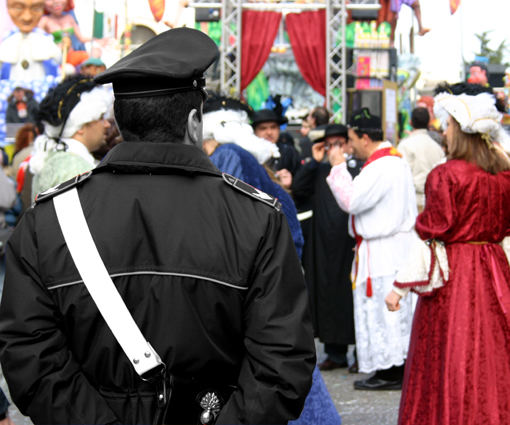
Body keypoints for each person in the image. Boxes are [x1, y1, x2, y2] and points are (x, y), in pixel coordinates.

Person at [0, 28, 315, 425]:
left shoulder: (47, 221)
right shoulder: (256, 218)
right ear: (193, 122)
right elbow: (283, 361)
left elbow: (30, 358)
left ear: (119, 120)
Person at [202, 97, 340, 425]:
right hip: (274, 284)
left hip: (255, 291)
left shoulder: (227, 156)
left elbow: (227, 223)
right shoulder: (246, 159)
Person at [386, 84, 510, 424]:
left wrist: (399, 287)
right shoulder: (504, 176)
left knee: (451, 354)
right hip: (496, 271)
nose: (445, 130)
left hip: (457, 276)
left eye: (450, 124)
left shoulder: (446, 176)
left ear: (460, 129)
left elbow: (432, 236)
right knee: (494, 354)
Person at [326, 107, 417, 390]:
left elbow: (352, 200)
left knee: (384, 310)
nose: (349, 147)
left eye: (351, 140)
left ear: (365, 138)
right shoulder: (391, 162)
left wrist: (338, 167)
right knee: (387, 310)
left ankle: (391, 370)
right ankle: (391, 367)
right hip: (384, 247)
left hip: (384, 251)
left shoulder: (383, 166)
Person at [292, 124, 362, 372]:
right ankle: (335, 352)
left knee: (352, 297)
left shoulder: (358, 167)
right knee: (327, 295)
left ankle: (362, 354)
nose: (335, 149)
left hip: (349, 242)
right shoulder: (319, 168)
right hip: (322, 244)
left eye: (339, 143)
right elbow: (297, 190)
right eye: (329, 144)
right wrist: (313, 160)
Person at [29, 74, 112, 201]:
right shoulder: (75, 169)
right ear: (80, 127)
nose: (106, 124)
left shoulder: (56, 156)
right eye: (100, 117)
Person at [398, 107, 445, 212]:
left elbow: (400, 176)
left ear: (411, 122)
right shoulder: (437, 148)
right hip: (433, 202)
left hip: (411, 202)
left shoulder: (405, 145)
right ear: (429, 122)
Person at [0, 0, 60, 81]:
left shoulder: (43, 39)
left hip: (40, 83)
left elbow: (57, 58)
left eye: (36, 9)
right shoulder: (9, 40)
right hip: (14, 85)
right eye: (18, 8)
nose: (27, 17)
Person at [251, 108, 301, 176]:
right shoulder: (249, 154)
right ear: (255, 131)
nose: (269, 132)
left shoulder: (289, 153)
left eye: (273, 127)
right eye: (263, 128)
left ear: (279, 129)